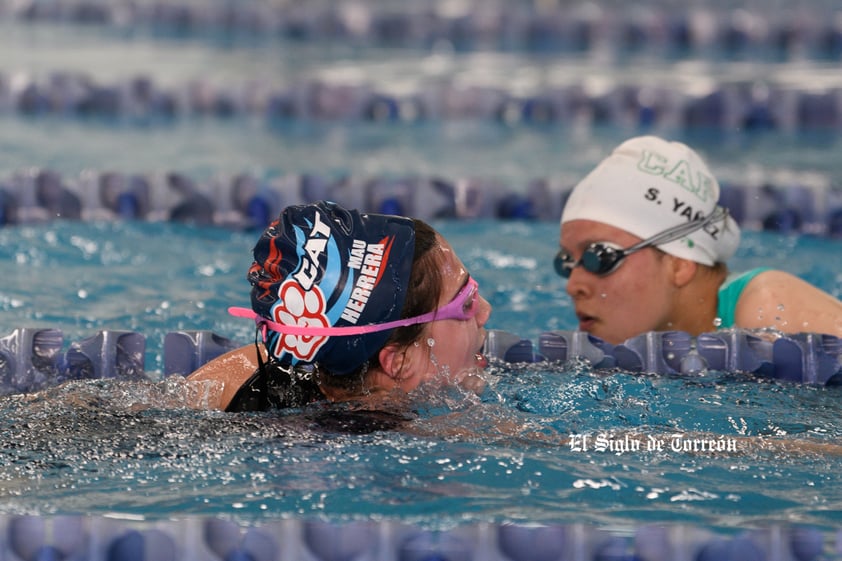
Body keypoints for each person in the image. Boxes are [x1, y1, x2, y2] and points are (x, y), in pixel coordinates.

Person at [188, 200, 492, 412]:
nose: (485, 311)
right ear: (399, 362)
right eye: (466, 304)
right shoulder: (448, 436)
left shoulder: (248, 373)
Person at [556, 135, 842, 345]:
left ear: (679, 264)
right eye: (567, 263)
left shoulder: (769, 307)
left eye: (601, 257)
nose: (573, 286)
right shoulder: (635, 342)